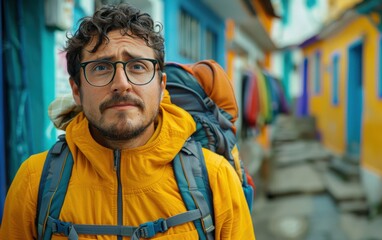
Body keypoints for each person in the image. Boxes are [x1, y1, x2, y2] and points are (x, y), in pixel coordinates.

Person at [0, 3, 256, 239]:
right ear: (76, 91)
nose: (121, 84)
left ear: (161, 84)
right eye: (101, 67)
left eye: (137, 66)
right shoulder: (34, 181)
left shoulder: (216, 179)